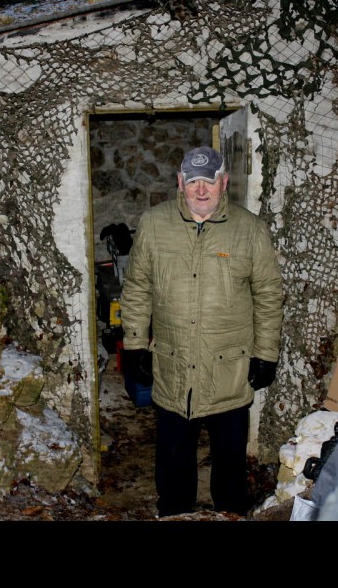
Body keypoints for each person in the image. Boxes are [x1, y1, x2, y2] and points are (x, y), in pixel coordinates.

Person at [120, 146, 284, 517]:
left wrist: (266, 353)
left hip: (229, 368)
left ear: (223, 182)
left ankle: (230, 512)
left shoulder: (250, 230)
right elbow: (137, 288)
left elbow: (269, 296)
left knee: (229, 466)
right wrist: (133, 343)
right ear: (180, 183)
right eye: (192, 181)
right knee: (174, 460)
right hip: (173, 365)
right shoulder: (154, 224)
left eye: (209, 180)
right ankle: (176, 512)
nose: (201, 190)